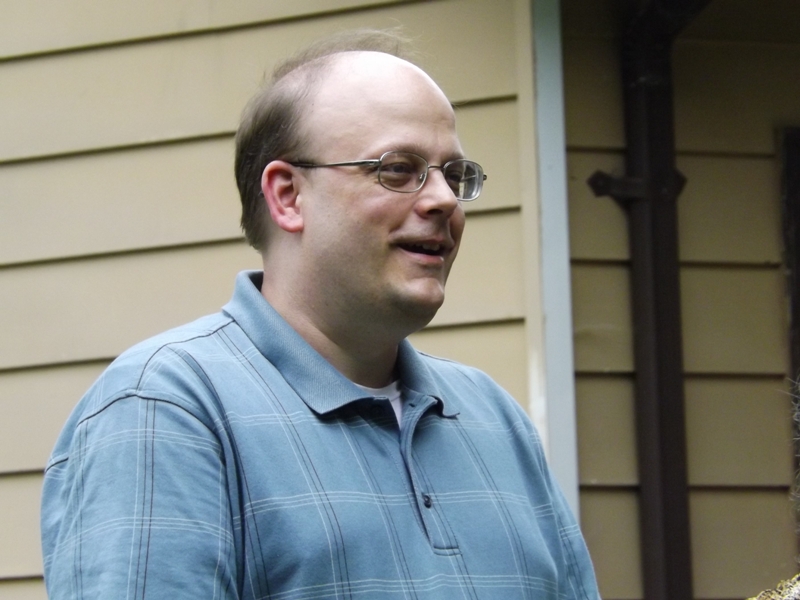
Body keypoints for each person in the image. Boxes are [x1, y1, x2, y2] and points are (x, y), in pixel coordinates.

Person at [41, 29, 599, 599]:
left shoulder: (495, 419)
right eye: (398, 169)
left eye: (454, 175)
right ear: (288, 195)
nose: (444, 200)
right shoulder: (167, 408)